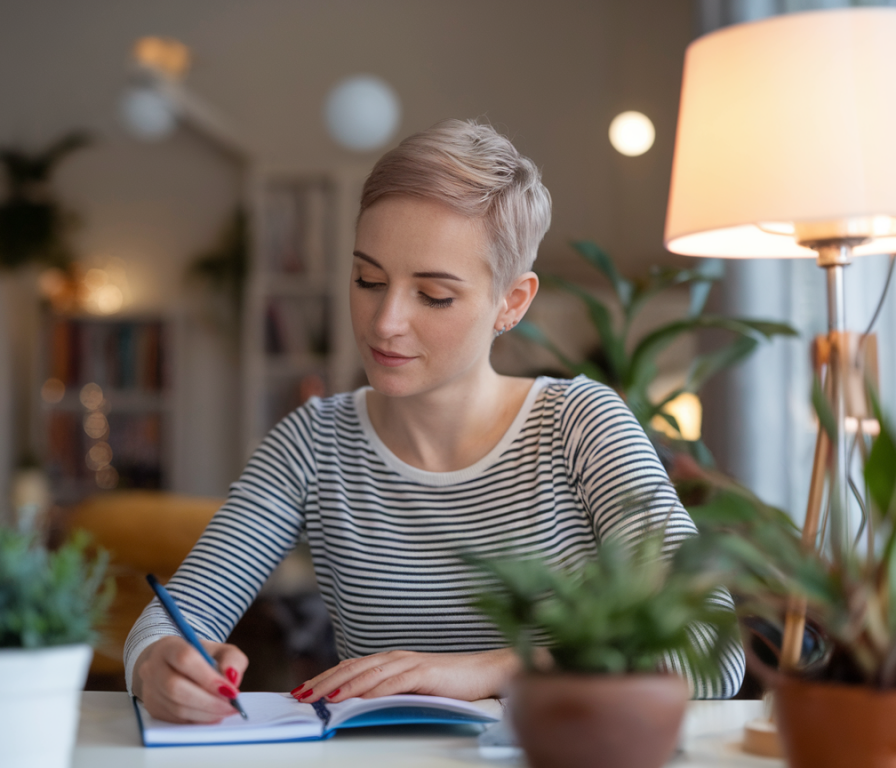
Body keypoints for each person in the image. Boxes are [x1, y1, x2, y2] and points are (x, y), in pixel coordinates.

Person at [125, 119, 745, 723]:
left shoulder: (580, 426)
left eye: (434, 295)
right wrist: (163, 664)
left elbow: (710, 653)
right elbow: (171, 621)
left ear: (512, 301)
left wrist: (489, 670)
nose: (384, 321)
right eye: (368, 279)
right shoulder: (313, 442)